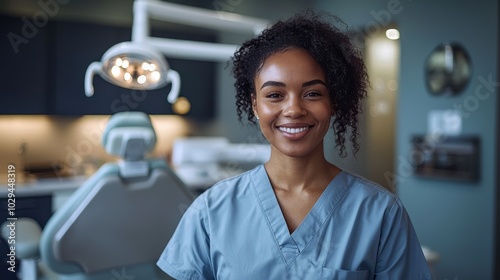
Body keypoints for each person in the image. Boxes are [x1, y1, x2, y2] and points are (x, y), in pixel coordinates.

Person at [157, 11, 432, 280]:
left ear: (333, 102)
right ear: (255, 105)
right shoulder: (211, 210)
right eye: (275, 95)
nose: (293, 109)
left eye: (312, 93)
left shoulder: (380, 213)